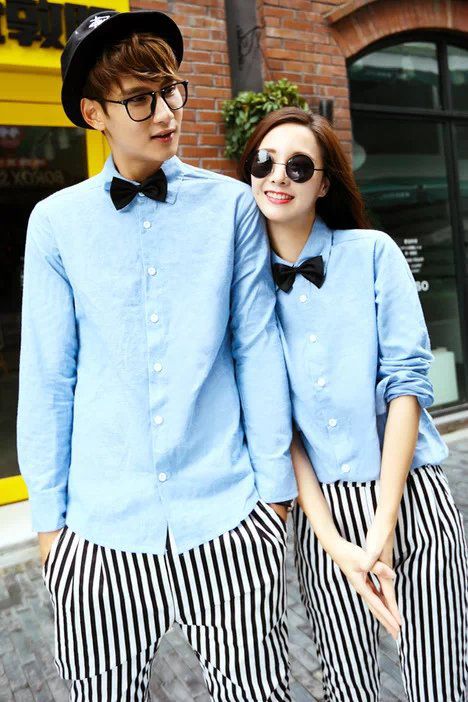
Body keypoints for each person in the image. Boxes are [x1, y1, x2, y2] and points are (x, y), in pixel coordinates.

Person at [17, 12, 297, 701]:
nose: (166, 112)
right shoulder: (55, 223)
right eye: (140, 100)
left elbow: (256, 348)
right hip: (100, 534)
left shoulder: (232, 207)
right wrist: (51, 528)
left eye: (170, 90)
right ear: (94, 114)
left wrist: (274, 500)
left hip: (228, 519)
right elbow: (48, 377)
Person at [239, 106, 468, 702]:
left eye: (298, 166)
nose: (278, 176)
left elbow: (406, 385)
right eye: (265, 161)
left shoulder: (373, 253)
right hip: (323, 516)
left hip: (410, 495)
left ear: (323, 184)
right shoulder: (243, 289)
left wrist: (383, 524)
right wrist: (332, 540)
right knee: (347, 686)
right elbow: (273, 423)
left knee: (440, 679)